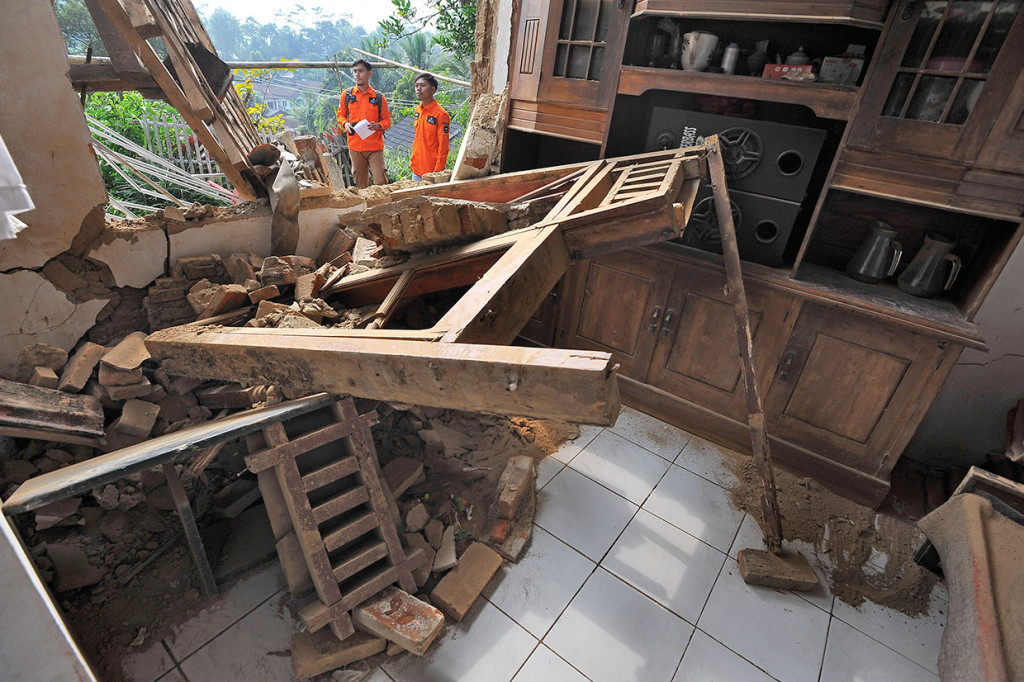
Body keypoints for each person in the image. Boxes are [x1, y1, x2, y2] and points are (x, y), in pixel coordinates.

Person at [337, 59, 391, 188]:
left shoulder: (378, 97)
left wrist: (379, 126)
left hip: (375, 147)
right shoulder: (347, 95)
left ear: (369, 74)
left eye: (360, 71)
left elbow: (387, 121)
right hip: (355, 147)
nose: (357, 74)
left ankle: (383, 207)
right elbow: (340, 115)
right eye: (355, 71)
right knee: (361, 185)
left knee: (381, 182)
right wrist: (345, 124)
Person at [410, 73, 450, 181]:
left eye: (422, 85)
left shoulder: (441, 115)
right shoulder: (418, 110)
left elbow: (443, 145)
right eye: (416, 85)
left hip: (431, 171)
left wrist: (438, 170)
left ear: (432, 90)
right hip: (416, 168)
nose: (418, 89)